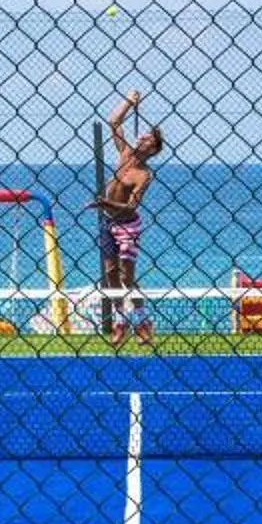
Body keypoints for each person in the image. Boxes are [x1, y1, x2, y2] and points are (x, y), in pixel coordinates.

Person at [96, 90, 165, 343]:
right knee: (111, 275)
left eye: (148, 139)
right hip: (107, 222)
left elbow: (132, 207)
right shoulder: (124, 152)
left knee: (127, 276)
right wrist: (129, 101)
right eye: (143, 135)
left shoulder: (144, 175)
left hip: (127, 225)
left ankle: (144, 322)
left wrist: (106, 202)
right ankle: (120, 323)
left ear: (152, 149)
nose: (142, 137)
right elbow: (114, 122)